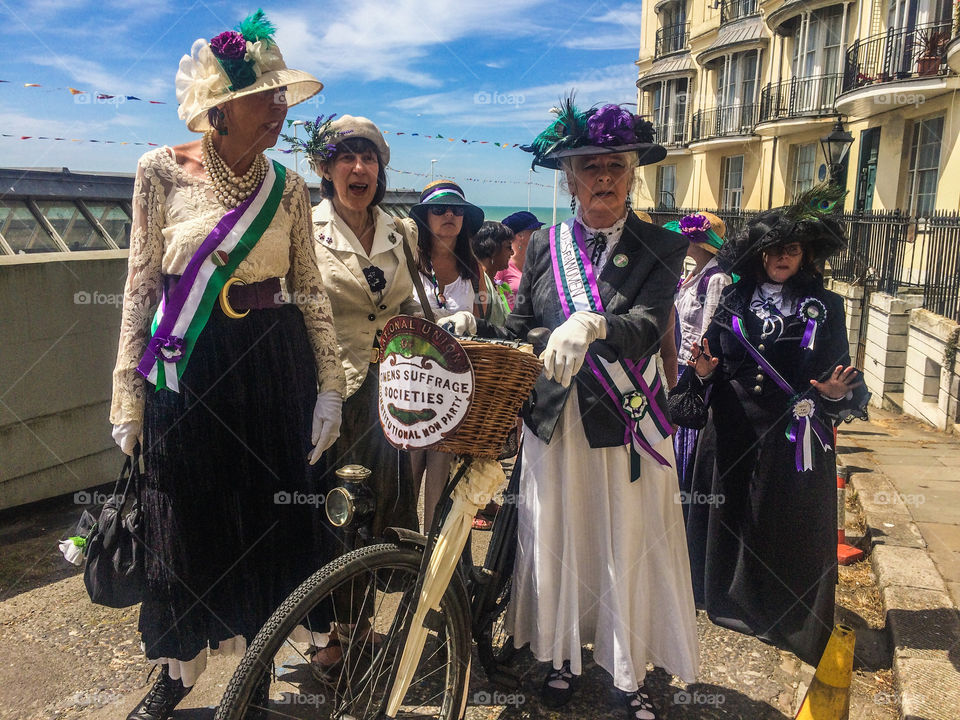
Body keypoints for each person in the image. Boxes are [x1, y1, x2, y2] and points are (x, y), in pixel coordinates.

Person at [108, 12, 345, 720]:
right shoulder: (158, 172)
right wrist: (127, 392)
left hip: (273, 364)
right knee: (185, 516)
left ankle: (263, 668)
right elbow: (140, 285)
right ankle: (180, 672)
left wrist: (330, 384)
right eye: (266, 97)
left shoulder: (290, 187)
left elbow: (310, 288)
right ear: (221, 106)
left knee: (273, 518)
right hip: (188, 363)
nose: (281, 109)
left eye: (282, 97)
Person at [455, 98, 699, 720]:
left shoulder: (660, 247)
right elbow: (522, 327)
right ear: (570, 177)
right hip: (555, 424)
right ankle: (563, 654)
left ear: (633, 171)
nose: (604, 177)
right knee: (559, 537)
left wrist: (594, 323)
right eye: (590, 166)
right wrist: (473, 324)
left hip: (625, 425)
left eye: (616, 164)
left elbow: (646, 327)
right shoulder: (542, 244)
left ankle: (627, 671)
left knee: (626, 542)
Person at [684, 189, 868, 667]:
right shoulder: (734, 295)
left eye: (791, 248)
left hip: (794, 431)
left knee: (782, 517)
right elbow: (715, 358)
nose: (781, 256)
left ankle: (783, 611)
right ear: (760, 253)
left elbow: (838, 372)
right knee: (732, 506)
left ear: (805, 254)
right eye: (774, 248)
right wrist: (703, 372)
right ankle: (726, 597)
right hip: (731, 424)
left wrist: (832, 393)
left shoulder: (825, 304)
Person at [293, 114, 422, 538]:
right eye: (346, 158)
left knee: (386, 507)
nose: (359, 168)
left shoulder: (401, 231)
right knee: (335, 513)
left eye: (369, 158)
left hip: (392, 394)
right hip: (328, 396)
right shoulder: (304, 230)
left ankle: (377, 595)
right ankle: (334, 602)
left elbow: (407, 302)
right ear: (325, 171)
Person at [408, 180, 485, 531]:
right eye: (439, 209)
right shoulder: (407, 262)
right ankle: (397, 562)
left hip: (453, 394)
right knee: (403, 485)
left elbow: (483, 330)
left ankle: (435, 573)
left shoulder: (474, 271)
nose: (449, 215)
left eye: (457, 210)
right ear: (426, 217)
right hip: (409, 389)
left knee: (442, 492)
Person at [664, 212, 730, 496]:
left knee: (686, 440)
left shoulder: (716, 279)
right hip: (677, 365)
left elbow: (710, 332)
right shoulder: (693, 274)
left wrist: (695, 371)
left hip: (693, 371)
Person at [496, 210, 543, 309]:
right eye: (535, 231)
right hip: (510, 322)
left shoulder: (537, 262)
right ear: (520, 236)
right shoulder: (503, 265)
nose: (540, 235)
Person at [471, 220, 514, 326]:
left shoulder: (493, 283)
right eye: (508, 247)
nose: (512, 252)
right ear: (493, 248)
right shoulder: (480, 282)